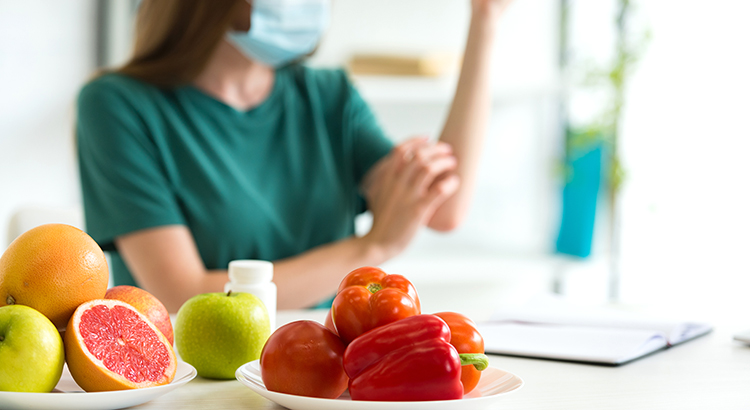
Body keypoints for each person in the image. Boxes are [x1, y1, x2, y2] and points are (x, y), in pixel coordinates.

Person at [77, 0, 514, 312]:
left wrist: (486, 19)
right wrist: (373, 245)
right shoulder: (116, 105)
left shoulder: (329, 97)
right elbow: (182, 295)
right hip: (195, 379)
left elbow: (443, 207)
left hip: (322, 372)